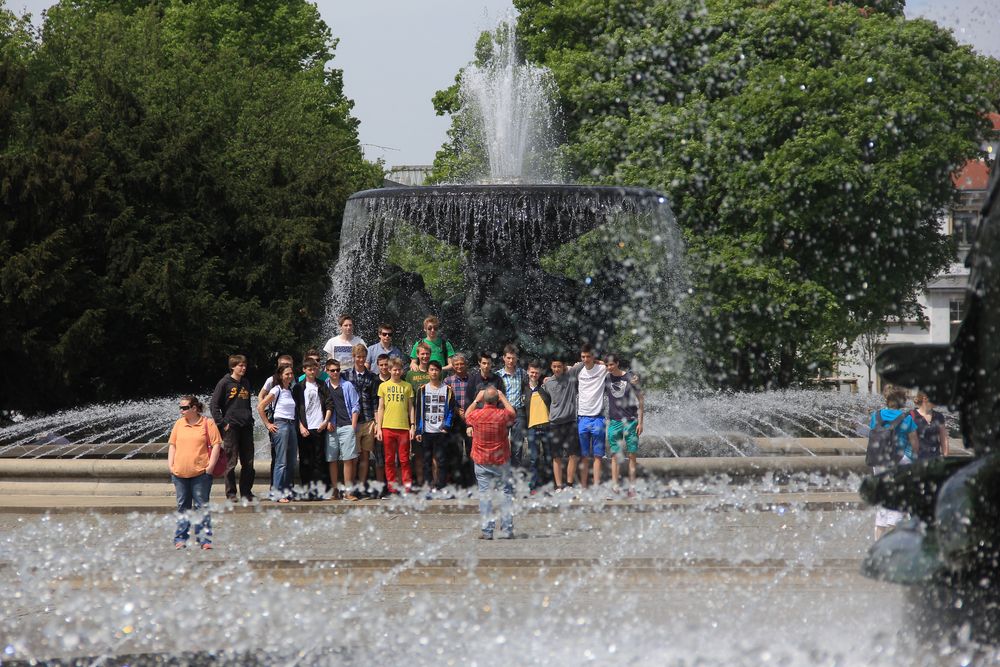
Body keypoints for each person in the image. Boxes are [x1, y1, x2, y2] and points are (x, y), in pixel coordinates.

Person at [168, 395, 221, 549]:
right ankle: (180, 539)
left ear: (194, 408)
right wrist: (170, 465)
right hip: (179, 473)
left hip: (201, 474)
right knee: (182, 506)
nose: (181, 411)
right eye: (180, 407)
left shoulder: (207, 423)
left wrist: (210, 466)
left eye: (184, 408)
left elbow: (216, 445)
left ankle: (204, 540)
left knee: (201, 507)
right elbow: (172, 445)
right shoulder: (179, 424)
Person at [466, 387, 517, 540]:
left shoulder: (476, 415)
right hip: (500, 460)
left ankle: (487, 531)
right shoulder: (502, 415)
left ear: (484, 399)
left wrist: (476, 399)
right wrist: (502, 396)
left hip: (481, 460)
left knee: (485, 495)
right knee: (506, 493)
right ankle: (507, 530)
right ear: (497, 400)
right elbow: (513, 414)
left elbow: (466, 415)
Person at [870, 384, 919, 539]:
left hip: (878, 461)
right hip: (900, 461)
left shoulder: (876, 416)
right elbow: (914, 443)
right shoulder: (907, 418)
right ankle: (892, 548)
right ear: (903, 401)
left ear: (886, 398)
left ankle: (877, 546)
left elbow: (873, 436)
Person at [209, 354, 255, 502]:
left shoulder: (246, 383)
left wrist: (250, 418)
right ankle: (231, 493)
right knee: (231, 462)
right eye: (240, 365)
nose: (243, 368)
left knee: (248, 462)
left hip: (246, 426)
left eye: (245, 365)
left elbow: (247, 404)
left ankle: (247, 492)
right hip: (231, 427)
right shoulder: (224, 383)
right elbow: (214, 405)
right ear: (233, 367)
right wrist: (222, 423)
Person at [256, 365, 299, 502]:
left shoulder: (290, 390)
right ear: (281, 376)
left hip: (291, 425)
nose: (290, 376)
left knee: (291, 460)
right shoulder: (277, 389)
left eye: (291, 374)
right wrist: (268, 424)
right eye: (287, 374)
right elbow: (260, 406)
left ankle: (286, 491)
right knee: (281, 461)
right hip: (281, 424)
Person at [292, 358, 334, 499]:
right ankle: (307, 490)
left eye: (314, 369)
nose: (312, 372)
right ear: (304, 370)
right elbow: (295, 409)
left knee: (319, 459)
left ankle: (320, 490)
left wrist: (326, 421)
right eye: (309, 369)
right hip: (305, 428)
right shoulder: (298, 387)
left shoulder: (322, 385)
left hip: (319, 427)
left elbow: (329, 404)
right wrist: (300, 426)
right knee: (305, 460)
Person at [416, 360, 457, 494]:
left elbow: (451, 410)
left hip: (441, 430)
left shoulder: (447, 390)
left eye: (436, 370)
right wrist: (418, 429)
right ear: (428, 371)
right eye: (431, 369)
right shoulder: (422, 390)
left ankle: (441, 486)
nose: (434, 372)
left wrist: (446, 426)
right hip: (426, 430)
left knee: (442, 460)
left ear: (440, 372)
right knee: (427, 461)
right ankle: (429, 485)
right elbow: (418, 410)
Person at [605, 353, 643, 497]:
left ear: (617, 363)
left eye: (612, 364)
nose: (609, 367)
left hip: (631, 421)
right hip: (614, 422)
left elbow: (641, 399)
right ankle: (615, 487)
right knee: (615, 456)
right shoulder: (606, 378)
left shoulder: (629, 378)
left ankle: (632, 488)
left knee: (631, 455)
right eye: (607, 365)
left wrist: (641, 422)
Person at [346, 344, 382, 497]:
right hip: (352, 421)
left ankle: (361, 486)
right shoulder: (345, 375)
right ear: (354, 357)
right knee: (353, 457)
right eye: (358, 357)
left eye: (363, 357)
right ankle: (351, 487)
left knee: (365, 456)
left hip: (368, 420)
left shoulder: (372, 377)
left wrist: (376, 422)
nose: (361, 360)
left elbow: (375, 402)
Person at [376, 358, 416, 494]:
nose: (397, 372)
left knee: (404, 459)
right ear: (389, 370)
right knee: (389, 459)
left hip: (403, 428)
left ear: (402, 370)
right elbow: (380, 408)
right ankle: (392, 488)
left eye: (399, 369)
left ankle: (407, 487)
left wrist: (412, 426)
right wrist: (379, 427)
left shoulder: (407, 386)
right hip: (387, 427)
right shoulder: (383, 386)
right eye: (394, 369)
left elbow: (411, 408)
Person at [326, 359, 360, 500]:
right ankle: (334, 490)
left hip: (346, 425)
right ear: (327, 371)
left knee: (348, 459)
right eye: (332, 370)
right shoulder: (324, 386)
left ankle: (348, 491)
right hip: (331, 427)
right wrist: (326, 422)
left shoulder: (347, 385)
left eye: (337, 370)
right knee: (332, 459)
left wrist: (353, 426)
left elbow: (355, 405)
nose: (335, 372)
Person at [575, 345, 609, 489]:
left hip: (598, 418)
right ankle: (583, 486)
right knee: (584, 457)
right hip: (582, 418)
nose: (585, 360)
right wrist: (547, 378)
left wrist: (601, 362)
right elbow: (560, 371)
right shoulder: (578, 370)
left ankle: (596, 486)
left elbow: (614, 366)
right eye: (583, 357)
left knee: (597, 456)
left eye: (588, 356)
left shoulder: (602, 369)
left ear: (593, 357)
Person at [544, 356, 579, 491]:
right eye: (554, 367)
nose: (557, 369)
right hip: (554, 424)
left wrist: (600, 362)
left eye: (559, 366)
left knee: (573, 454)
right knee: (556, 456)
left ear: (564, 366)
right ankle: (558, 486)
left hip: (570, 422)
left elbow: (584, 362)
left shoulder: (570, 376)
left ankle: (569, 485)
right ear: (551, 367)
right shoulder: (548, 383)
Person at [406, 342, 434, 486]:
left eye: (427, 354)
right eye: (422, 354)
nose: (424, 356)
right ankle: (421, 482)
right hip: (416, 418)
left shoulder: (434, 371)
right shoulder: (411, 374)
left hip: (433, 418)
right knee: (418, 455)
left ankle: (432, 484)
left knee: (433, 454)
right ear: (417, 355)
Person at [445, 353, 475, 487]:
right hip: (455, 421)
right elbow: (446, 400)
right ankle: (458, 482)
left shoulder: (473, 380)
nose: (459, 366)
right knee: (455, 451)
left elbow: (477, 398)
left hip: (471, 420)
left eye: (461, 364)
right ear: (453, 366)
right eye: (456, 364)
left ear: (466, 365)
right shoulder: (448, 381)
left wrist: (469, 411)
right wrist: (457, 410)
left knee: (471, 451)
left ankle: (471, 481)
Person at [497, 344, 529, 469]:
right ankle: (502, 473)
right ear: (503, 358)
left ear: (517, 359)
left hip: (519, 412)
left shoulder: (522, 373)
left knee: (517, 445)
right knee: (501, 444)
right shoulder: (498, 375)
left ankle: (515, 474)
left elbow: (531, 385)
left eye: (513, 358)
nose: (511, 361)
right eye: (508, 358)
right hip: (503, 412)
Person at [525, 360, 552, 492]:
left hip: (547, 426)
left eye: (536, 372)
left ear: (540, 373)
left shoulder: (545, 387)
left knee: (548, 457)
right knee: (533, 459)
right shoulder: (524, 389)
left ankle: (548, 485)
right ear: (527, 372)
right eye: (532, 372)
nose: (534, 375)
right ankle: (533, 486)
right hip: (532, 428)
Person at [911, 392, 950, 460]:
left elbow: (944, 439)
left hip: (935, 459)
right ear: (925, 399)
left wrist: (945, 456)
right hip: (917, 460)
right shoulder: (911, 415)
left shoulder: (939, 416)